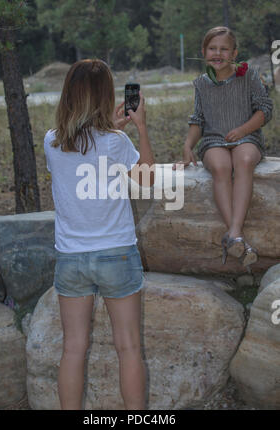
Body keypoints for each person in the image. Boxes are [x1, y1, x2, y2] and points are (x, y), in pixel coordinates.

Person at [44, 59, 155, 410]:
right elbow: (147, 180)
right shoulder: (117, 142)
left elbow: (84, 148)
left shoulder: (51, 142)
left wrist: (111, 127)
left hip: (72, 258)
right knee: (129, 347)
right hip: (117, 254)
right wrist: (140, 128)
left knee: (74, 348)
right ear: (107, 96)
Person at [172, 26, 273, 268]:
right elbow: (197, 120)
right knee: (220, 166)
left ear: (234, 53)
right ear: (204, 52)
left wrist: (243, 129)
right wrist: (187, 146)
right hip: (214, 139)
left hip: (246, 137)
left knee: (245, 159)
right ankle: (236, 235)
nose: (218, 54)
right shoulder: (202, 84)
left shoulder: (248, 76)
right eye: (212, 49)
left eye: (224, 49)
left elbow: (264, 110)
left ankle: (233, 233)